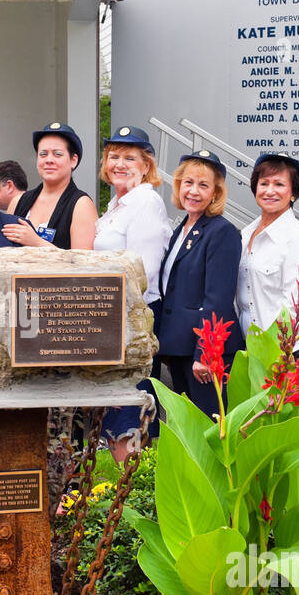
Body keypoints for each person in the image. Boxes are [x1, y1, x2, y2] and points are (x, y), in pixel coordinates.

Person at [94, 126, 172, 458]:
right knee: (112, 412)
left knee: (129, 417)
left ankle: (132, 491)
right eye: (114, 157)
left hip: (132, 324)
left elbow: (143, 274)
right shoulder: (116, 204)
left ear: (146, 166)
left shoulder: (146, 202)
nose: (120, 164)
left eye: (130, 158)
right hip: (110, 321)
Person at [155, 150, 243, 419]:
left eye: (203, 185)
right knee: (189, 432)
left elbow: (217, 299)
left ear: (215, 193)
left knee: (209, 430)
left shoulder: (222, 231)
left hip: (205, 354)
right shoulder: (181, 230)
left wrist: (206, 353)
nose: (193, 191)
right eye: (188, 183)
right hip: (180, 348)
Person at [235, 152, 299, 366]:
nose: (270, 191)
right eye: (264, 183)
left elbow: (298, 304)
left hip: (287, 351)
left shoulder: (298, 236)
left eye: (279, 184)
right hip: (253, 347)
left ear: (293, 193)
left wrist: (273, 349)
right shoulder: (247, 233)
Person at [2, 121, 98, 250]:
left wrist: (36, 242)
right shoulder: (17, 202)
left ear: (73, 160)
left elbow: (84, 264)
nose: (49, 160)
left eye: (57, 154)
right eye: (43, 154)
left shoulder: (81, 205)